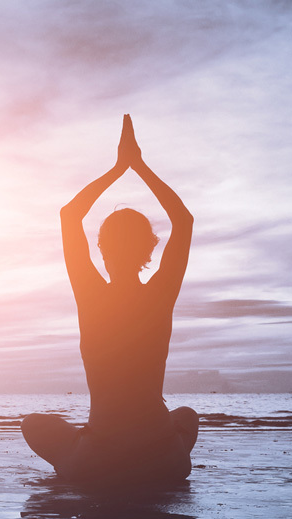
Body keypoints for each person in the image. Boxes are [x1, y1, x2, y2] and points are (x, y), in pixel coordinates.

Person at [23, 115, 198, 488]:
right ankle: (134, 462)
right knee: (186, 415)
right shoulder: (159, 294)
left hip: (100, 459)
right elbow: (182, 220)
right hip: (165, 458)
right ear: (150, 249)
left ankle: (82, 457)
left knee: (33, 424)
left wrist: (118, 168)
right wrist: (139, 166)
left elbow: (70, 215)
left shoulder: (92, 295)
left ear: (101, 249)